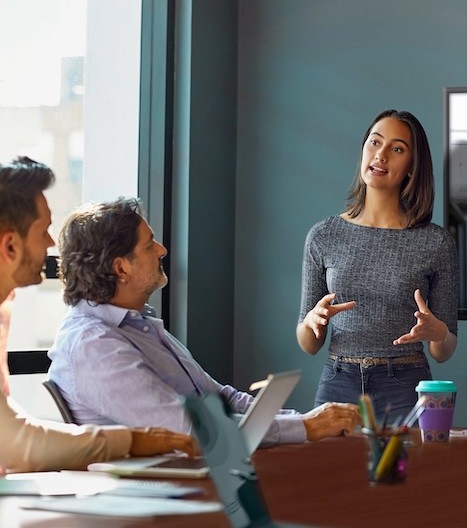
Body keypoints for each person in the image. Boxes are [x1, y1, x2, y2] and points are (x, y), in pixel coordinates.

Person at [48, 198, 359, 445]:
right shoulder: (93, 345)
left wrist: (307, 421)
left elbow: (219, 399)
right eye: (149, 244)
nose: (162, 250)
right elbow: (188, 428)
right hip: (161, 497)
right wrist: (303, 427)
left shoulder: (139, 324)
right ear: (121, 268)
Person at [0, 156, 196, 472]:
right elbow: (17, 445)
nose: (52, 244)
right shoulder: (91, 339)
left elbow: (12, 432)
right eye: (44, 232)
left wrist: (131, 440)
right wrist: (131, 441)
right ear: (10, 247)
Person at [297, 109, 458, 421]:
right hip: (337, 380)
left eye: (397, 149)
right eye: (375, 142)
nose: (381, 155)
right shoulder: (323, 235)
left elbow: (444, 350)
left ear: (412, 167)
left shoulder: (435, 243)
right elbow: (308, 344)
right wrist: (313, 322)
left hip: (405, 384)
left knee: (407, 470)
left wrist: (437, 331)